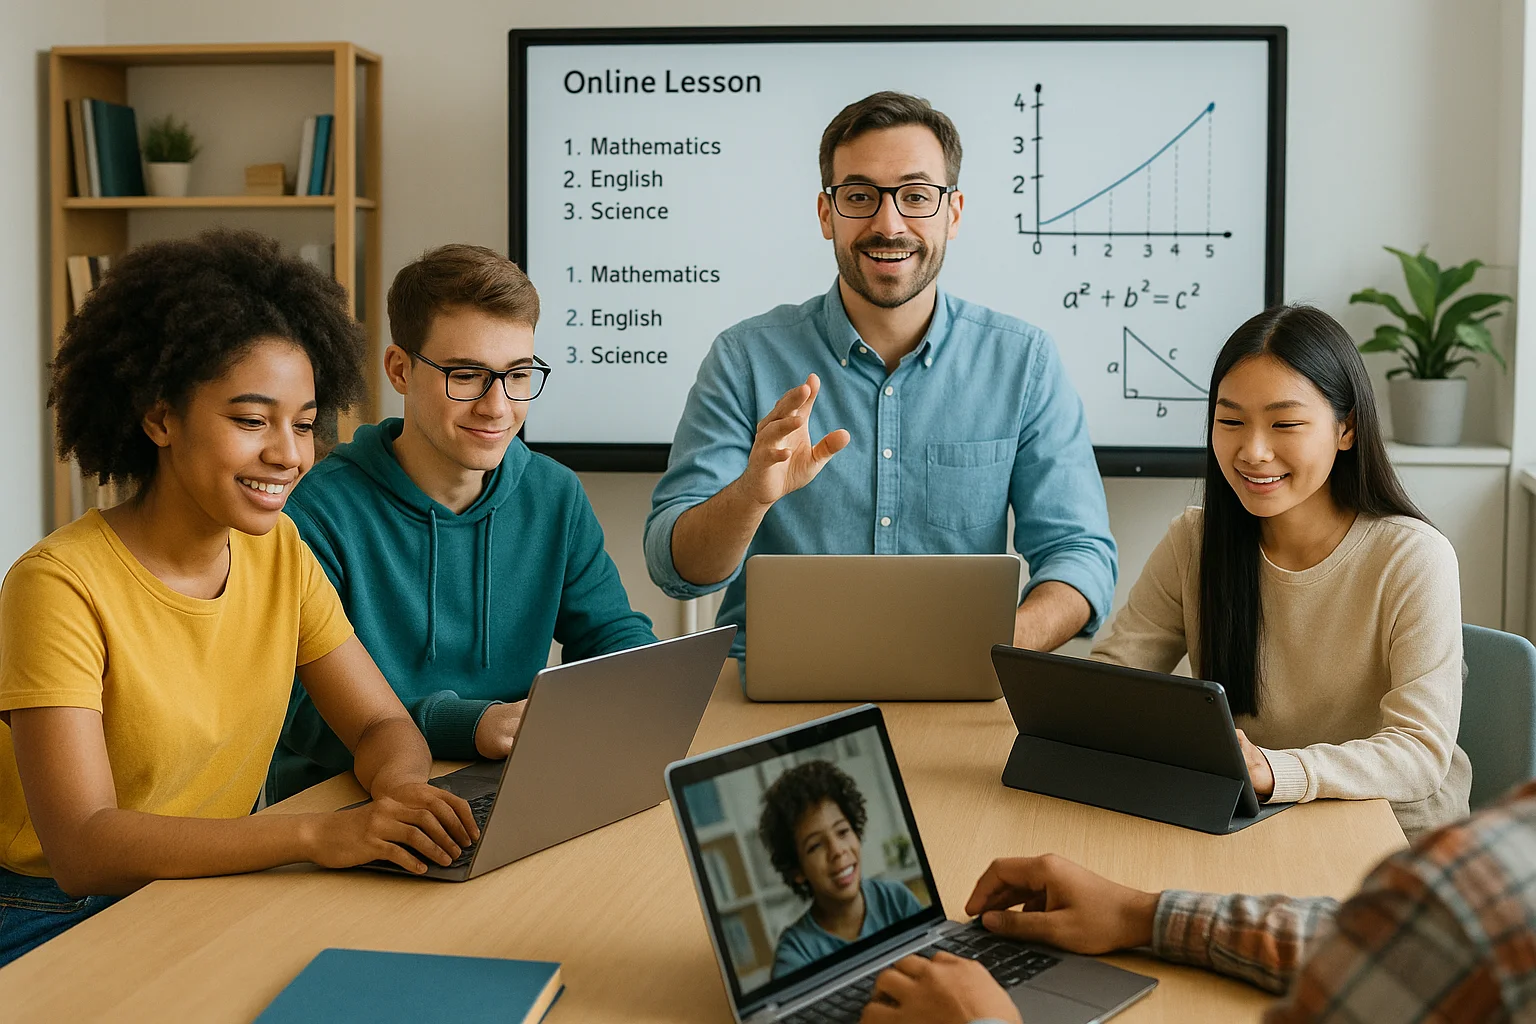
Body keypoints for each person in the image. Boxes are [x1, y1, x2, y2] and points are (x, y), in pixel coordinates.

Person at [0, 230, 478, 968]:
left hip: (207, 887)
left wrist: (400, 791)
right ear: (160, 418)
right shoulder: (58, 584)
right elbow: (84, 847)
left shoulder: (278, 550)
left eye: (305, 424)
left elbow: (380, 721)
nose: (288, 454)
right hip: (52, 915)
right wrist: (318, 833)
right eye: (251, 420)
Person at [645, 91, 1116, 667]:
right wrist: (750, 496)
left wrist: (986, 653)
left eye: (916, 196)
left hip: (960, 685)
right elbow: (676, 569)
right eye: (859, 196)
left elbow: (1080, 557)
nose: (888, 224)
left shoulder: (1024, 362)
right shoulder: (744, 358)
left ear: (953, 213)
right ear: (827, 214)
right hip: (773, 688)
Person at [268, 244, 656, 801]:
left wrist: (646, 678)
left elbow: (608, 634)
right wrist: (466, 724)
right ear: (400, 370)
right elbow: (295, 708)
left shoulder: (554, 494)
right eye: (467, 375)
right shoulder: (316, 512)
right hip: (345, 798)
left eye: (518, 375)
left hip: (508, 780)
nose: (497, 406)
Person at [1091, 304, 1467, 839]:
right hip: (1251, 823)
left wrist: (1276, 770)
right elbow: (1111, 682)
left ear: (1346, 428)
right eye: (1230, 421)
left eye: (1285, 424)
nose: (1253, 451)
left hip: (1392, 837)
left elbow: (1419, 753)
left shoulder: (1412, 557)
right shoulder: (1195, 541)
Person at [859, 781, 1536, 1023]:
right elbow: (1397, 951)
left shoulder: (1463, 896)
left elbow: (1436, 934)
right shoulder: (1462, 906)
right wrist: (1140, 913)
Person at [758, 760, 923, 978]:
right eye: (815, 846)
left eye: (843, 831)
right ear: (797, 870)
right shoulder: (795, 954)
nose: (837, 850)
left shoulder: (896, 900)